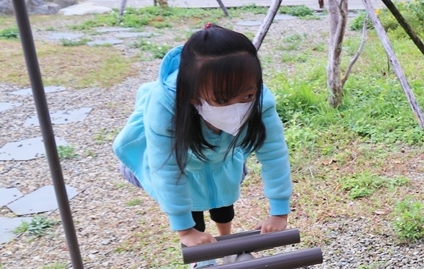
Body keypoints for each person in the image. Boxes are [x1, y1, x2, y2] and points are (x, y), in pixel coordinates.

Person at [114, 24, 292, 249]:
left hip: (221, 156)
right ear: (192, 96)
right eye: (224, 99)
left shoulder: (261, 98)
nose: (237, 106)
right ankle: (201, 252)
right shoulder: (165, 105)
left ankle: (224, 238)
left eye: (247, 94)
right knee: (192, 205)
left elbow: (274, 153)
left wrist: (279, 211)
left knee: (224, 197)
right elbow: (167, 168)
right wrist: (185, 230)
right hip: (179, 160)